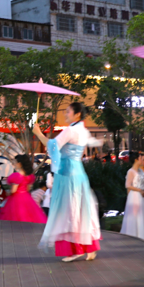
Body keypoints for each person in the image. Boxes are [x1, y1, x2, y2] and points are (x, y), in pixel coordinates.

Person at [33, 102, 102, 262]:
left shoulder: (70, 130)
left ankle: (76, 249)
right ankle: (89, 247)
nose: (66, 114)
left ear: (77, 114)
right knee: (82, 210)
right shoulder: (83, 130)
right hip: (78, 173)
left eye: (68, 111)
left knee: (69, 211)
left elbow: (52, 146)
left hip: (67, 175)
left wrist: (38, 133)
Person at [0, 155, 47, 223]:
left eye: (15, 162)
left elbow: (13, 190)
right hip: (26, 197)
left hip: (16, 198)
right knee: (27, 215)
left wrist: (8, 193)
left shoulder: (16, 176)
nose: (14, 164)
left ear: (19, 164)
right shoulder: (29, 176)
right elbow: (28, 188)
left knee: (14, 215)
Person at [120, 151, 144, 244]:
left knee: (143, 215)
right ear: (136, 160)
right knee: (135, 215)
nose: (141, 160)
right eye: (140, 158)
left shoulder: (140, 171)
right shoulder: (130, 171)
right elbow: (127, 185)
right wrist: (139, 190)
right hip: (135, 195)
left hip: (142, 195)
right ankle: (134, 236)